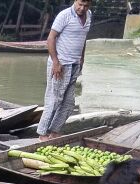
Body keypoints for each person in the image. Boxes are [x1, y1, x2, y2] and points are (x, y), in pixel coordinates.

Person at [38, 0, 92, 140]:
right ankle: (42, 133)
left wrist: (82, 58)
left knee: (68, 103)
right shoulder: (64, 15)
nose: (82, 8)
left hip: (75, 64)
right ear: (75, 1)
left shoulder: (89, 15)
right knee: (54, 100)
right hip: (61, 64)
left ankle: (55, 131)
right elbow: (51, 38)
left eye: (86, 5)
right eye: (80, 4)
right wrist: (56, 62)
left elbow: (83, 38)